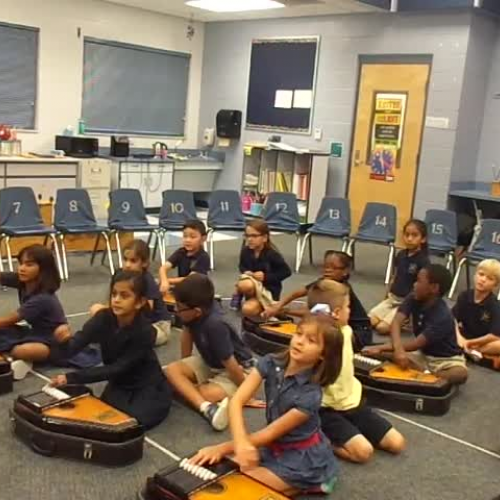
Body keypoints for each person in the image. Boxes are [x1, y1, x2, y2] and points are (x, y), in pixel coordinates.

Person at [189, 314, 343, 496]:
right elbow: (236, 401)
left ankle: (314, 479)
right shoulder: (270, 362)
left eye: (311, 341)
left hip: (302, 456)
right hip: (273, 445)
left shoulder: (310, 395)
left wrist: (222, 448)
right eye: (299, 333)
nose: (300, 342)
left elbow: (268, 433)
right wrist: (240, 445)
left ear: (323, 355)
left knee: (242, 484)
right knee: (227, 470)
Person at [51, 270, 172, 430]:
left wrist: (72, 377)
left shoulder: (146, 331)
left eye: (124, 295)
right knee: (102, 415)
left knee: (130, 423)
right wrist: (63, 341)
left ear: (139, 302)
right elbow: (75, 345)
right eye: (114, 294)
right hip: (119, 383)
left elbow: (118, 368)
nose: (116, 300)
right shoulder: (102, 318)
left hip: (145, 385)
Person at [308, 279, 405, 463]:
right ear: (336, 313)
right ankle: (318, 439)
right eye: (348, 307)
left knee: (397, 443)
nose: (350, 311)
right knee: (363, 453)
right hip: (327, 409)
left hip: (352, 403)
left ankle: (350, 432)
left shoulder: (347, 331)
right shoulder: (316, 342)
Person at [164, 274, 254, 431]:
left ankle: (205, 402)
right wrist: (184, 365)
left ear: (197, 311)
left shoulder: (215, 325)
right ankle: (208, 408)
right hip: (210, 361)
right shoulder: (191, 314)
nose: (176, 311)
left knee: (201, 392)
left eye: (179, 307)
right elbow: (187, 335)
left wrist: (245, 393)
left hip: (238, 370)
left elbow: (230, 363)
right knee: (171, 371)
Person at [365, 264, 468, 385]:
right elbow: (396, 323)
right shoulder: (414, 296)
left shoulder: (442, 316)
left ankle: (427, 375)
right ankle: (425, 376)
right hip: (422, 354)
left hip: (444, 360)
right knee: (378, 352)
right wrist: (396, 350)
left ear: (434, 288)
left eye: (419, 281)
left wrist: (388, 348)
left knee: (460, 373)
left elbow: (415, 344)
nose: (414, 284)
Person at [263, 250, 371, 347]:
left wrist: (286, 311)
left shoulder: (341, 290)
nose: (328, 270)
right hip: (336, 325)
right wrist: (278, 306)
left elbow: (319, 315)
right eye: (326, 266)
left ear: (345, 271)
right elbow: (296, 293)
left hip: (357, 332)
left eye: (334, 267)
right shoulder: (324, 283)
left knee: (317, 336)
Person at [0, 244, 71, 380]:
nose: (22, 268)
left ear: (44, 269)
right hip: (33, 332)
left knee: (23, 350)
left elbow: (9, 320)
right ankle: (14, 359)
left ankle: (16, 358)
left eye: (29, 264)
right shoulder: (23, 281)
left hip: (51, 341)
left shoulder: (42, 298)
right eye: (21, 263)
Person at [90, 239, 171, 346]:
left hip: (156, 325)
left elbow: (146, 311)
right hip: (127, 317)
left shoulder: (147, 280)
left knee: (134, 336)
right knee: (95, 309)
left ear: (144, 263)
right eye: (125, 260)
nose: (127, 265)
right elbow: (110, 301)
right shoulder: (119, 275)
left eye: (133, 261)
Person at [369, 219, 429, 335]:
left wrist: (412, 307)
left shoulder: (423, 261)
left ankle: (405, 321)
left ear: (423, 239)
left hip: (405, 303)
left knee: (381, 328)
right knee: (369, 321)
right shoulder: (401, 255)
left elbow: (421, 287)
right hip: (392, 298)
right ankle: (390, 316)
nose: (410, 238)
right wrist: (387, 294)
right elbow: (395, 275)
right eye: (407, 235)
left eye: (414, 235)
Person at [230, 219, 291, 316]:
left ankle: (269, 306)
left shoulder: (272, 254)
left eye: (254, 236)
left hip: (268, 290)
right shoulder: (246, 251)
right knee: (244, 284)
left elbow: (286, 272)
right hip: (253, 286)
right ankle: (242, 295)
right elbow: (242, 266)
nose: (249, 239)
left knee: (248, 310)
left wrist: (266, 277)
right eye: (247, 236)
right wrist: (247, 271)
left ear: (264, 237)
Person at [453, 259, 500, 356]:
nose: (483, 280)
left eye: (490, 278)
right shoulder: (464, 296)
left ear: (495, 285)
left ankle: (469, 349)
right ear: (475, 275)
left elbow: (494, 336)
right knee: (441, 327)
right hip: (464, 335)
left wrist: (471, 342)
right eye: (481, 274)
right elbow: (452, 318)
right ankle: (469, 350)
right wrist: (460, 338)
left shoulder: (494, 305)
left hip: (483, 341)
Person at [159, 219, 210, 293]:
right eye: (185, 236)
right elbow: (163, 268)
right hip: (182, 288)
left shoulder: (203, 257)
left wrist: (168, 281)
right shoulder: (181, 252)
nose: (187, 240)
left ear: (203, 238)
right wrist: (164, 281)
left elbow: (190, 279)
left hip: (197, 292)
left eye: (192, 237)